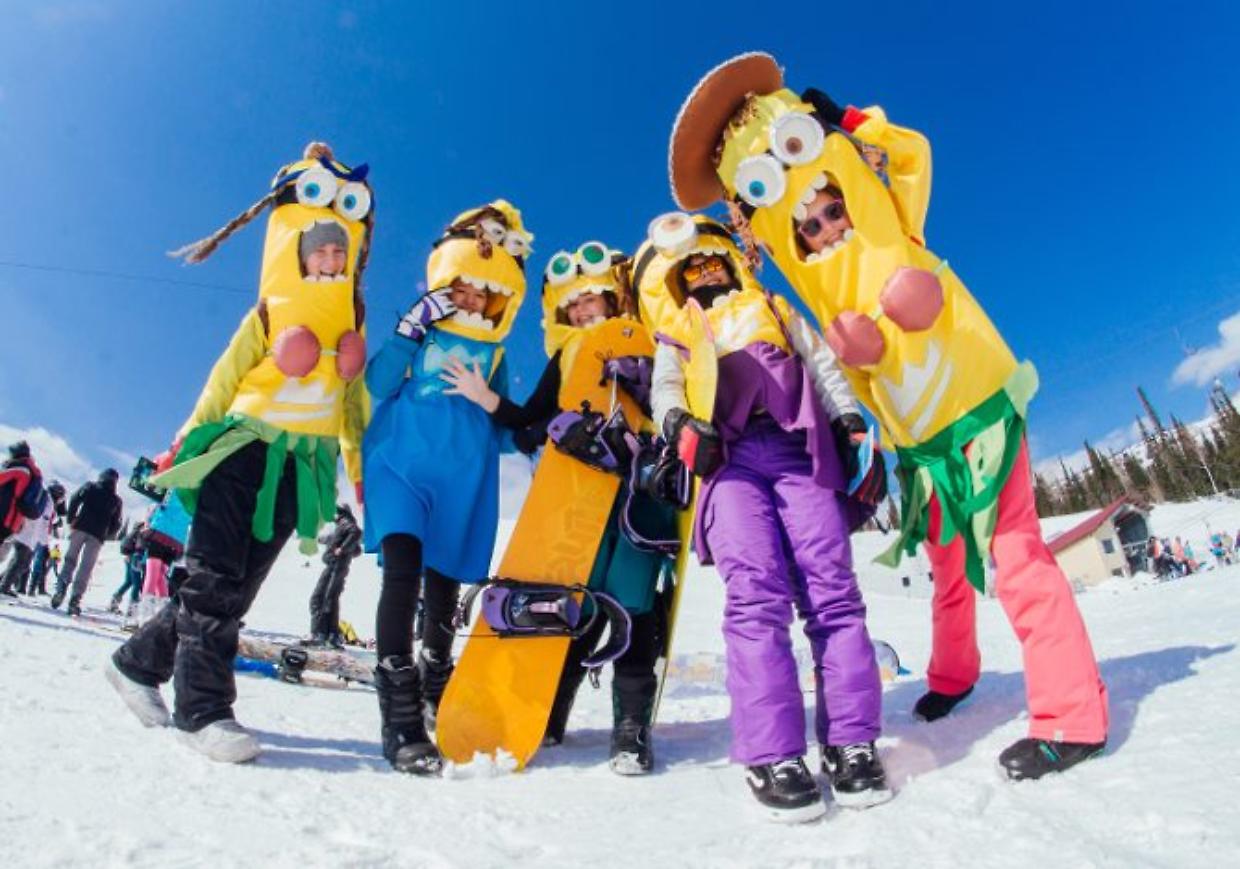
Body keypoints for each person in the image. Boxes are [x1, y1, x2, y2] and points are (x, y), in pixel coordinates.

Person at [667, 53, 1109, 781]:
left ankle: (1072, 715)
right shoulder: (817, 293)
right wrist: (873, 429)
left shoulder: (894, 222)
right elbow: (857, 378)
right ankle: (952, 673)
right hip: (924, 445)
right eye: (806, 225)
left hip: (978, 414)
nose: (824, 226)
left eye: (832, 208)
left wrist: (842, 122)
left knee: (1013, 554)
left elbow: (910, 153)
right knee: (945, 564)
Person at [105, 142, 370, 764]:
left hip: (301, 468)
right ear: (298, 252)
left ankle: (135, 664)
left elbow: (352, 412)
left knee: (235, 591)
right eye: (319, 248)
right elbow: (221, 383)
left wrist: (357, 476)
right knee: (212, 580)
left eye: (339, 248)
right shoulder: (268, 316)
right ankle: (203, 711)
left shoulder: (350, 326)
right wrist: (180, 446)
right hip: (241, 450)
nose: (330, 257)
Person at [631, 212, 889, 820]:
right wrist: (677, 424)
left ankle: (852, 740)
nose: (705, 272)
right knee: (756, 593)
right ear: (678, 282)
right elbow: (666, 389)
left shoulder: (772, 306)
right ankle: (773, 752)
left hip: (800, 448)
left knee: (832, 590)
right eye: (691, 269)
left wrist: (848, 419)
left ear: (731, 262)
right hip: (727, 462)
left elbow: (821, 364)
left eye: (713, 261)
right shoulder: (678, 332)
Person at [441, 239, 676, 774]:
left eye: (593, 300)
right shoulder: (566, 356)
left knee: (635, 605)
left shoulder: (652, 344)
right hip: (575, 498)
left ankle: (630, 731)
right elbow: (529, 425)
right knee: (570, 603)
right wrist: (488, 400)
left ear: (613, 300)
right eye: (575, 306)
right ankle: (547, 711)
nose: (584, 310)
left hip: (638, 496)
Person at [362, 200, 531, 775]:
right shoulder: (420, 332)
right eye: (461, 290)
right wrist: (410, 328)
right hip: (402, 464)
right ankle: (399, 717)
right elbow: (380, 383)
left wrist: (493, 404)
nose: (470, 301)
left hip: (462, 477)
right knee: (402, 570)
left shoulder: (498, 352)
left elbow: (508, 432)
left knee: (441, 591)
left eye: (482, 294)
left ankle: (438, 682)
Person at [52, 468, 123, 615]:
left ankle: (60, 589)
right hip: (97, 536)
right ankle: (75, 600)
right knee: (86, 567)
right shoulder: (116, 500)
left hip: (80, 527)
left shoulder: (90, 487)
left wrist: (72, 518)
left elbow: (75, 498)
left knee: (70, 560)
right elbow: (116, 523)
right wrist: (106, 533)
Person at [306, 503, 363, 647]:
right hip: (336, 566)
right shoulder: (341, 527)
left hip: (336, 567)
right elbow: (356, 550)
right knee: (330, 599)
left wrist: (342, 549)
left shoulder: (346, 524)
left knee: (320, 598)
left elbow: (356, 532)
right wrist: (327, 542)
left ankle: (319, 633)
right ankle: (331, 635)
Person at [110, 522, 148, 616]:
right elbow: (141, 547)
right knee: (137, 583)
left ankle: (114, 602)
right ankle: (132, 609)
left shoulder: (139, 528)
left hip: (130, 557)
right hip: (136, 558)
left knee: (129, 581)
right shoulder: (146, 530)